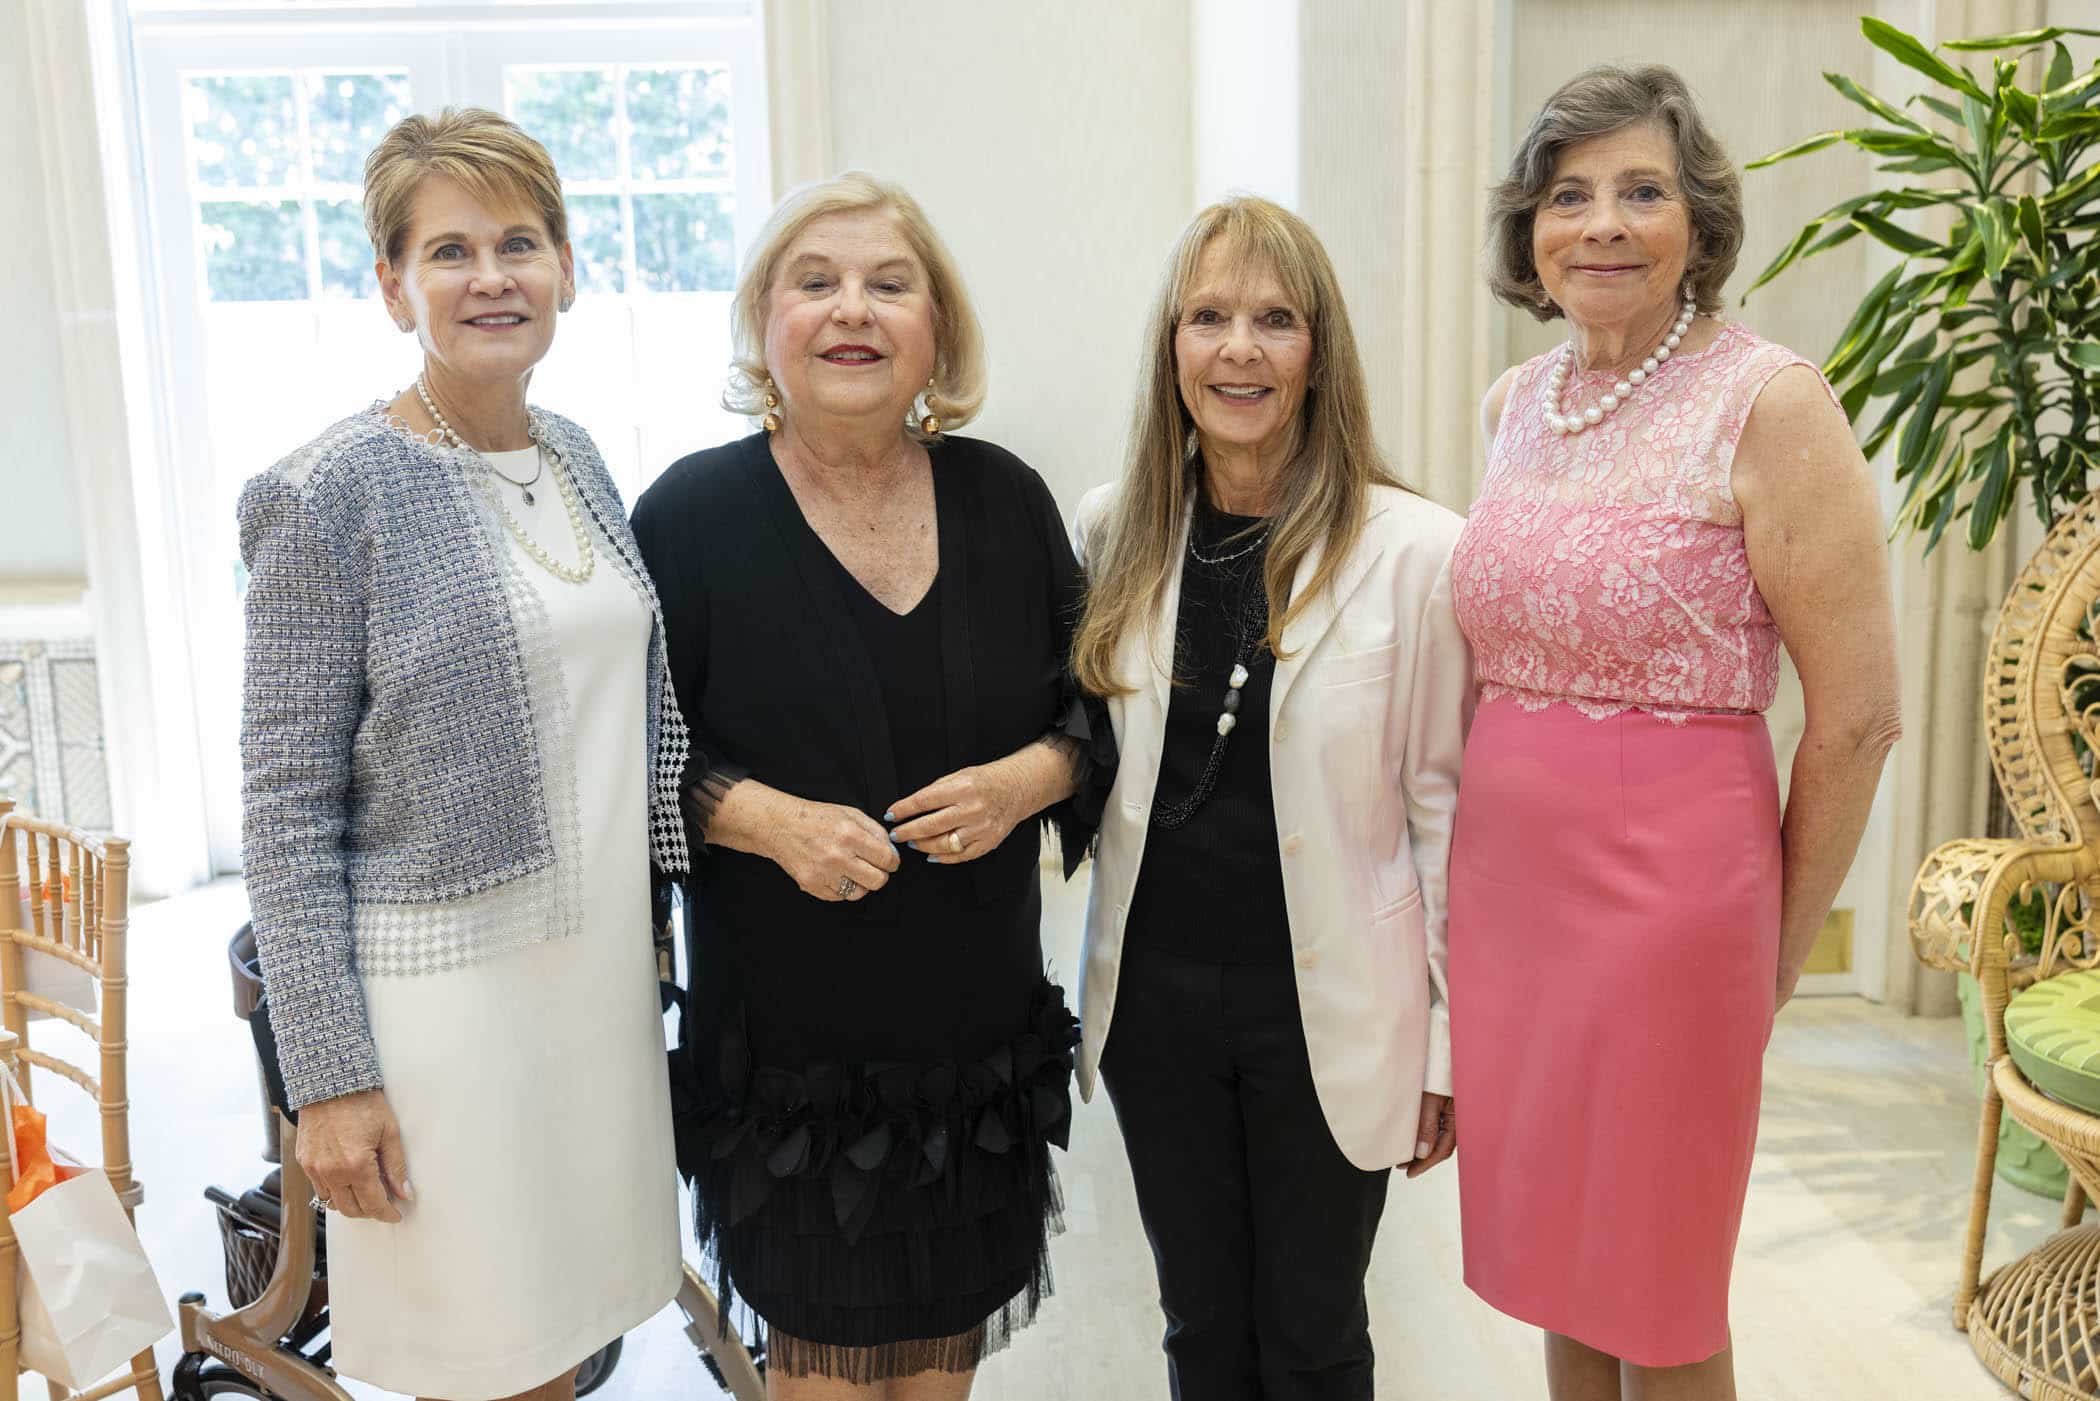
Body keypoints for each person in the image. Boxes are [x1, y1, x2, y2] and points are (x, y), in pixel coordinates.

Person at [1450, 64, 1903, 1401]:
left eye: (1641, 191)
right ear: (1530, 228)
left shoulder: (1772, 403)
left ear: (1697, 221)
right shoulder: (1516, 404)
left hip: (1670, 910)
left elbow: (1862, 716)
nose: (1603, 223)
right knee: (1556, 1260)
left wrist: (1776, 946)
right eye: (1569, 195)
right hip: (1509, 903)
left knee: (1656, 1284)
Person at [630, 171, 1106, 1400]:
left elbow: (1098, 712)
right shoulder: (688, 516)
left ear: (936, 329)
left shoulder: (1006, 499)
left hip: (972, 1047)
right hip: (793, 1060)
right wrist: (760, 819)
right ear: (765, 324)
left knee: (941, 1366)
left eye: (890, 284)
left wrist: (1023, 782)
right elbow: (623, 753)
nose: (854, 309)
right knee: (823, 1366)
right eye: (817, 282)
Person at [237, 108, 686, 1401]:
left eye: (519, 243)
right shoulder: (328, 492)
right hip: (445, 1016)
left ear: (566, 269)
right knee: (490, 1362)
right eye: (449, 251)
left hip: (592, 988)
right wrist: (329, 1083)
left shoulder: (576, 457)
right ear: (393, 287)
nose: (492, 277)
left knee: (570, 1346)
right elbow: (285, 810)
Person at [1068, 195, 1471, 1401]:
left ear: (1318, 352)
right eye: (1208, 318)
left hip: (1332, 1000)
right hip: (1155, 1004)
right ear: (1171, 347)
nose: (1238, 349)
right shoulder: (1115, 530)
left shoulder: (1418, 551)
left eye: (1275, 320)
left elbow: (1447, 813)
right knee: (1200, 1329)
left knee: (1313, 1337)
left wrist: (1451, 1041)